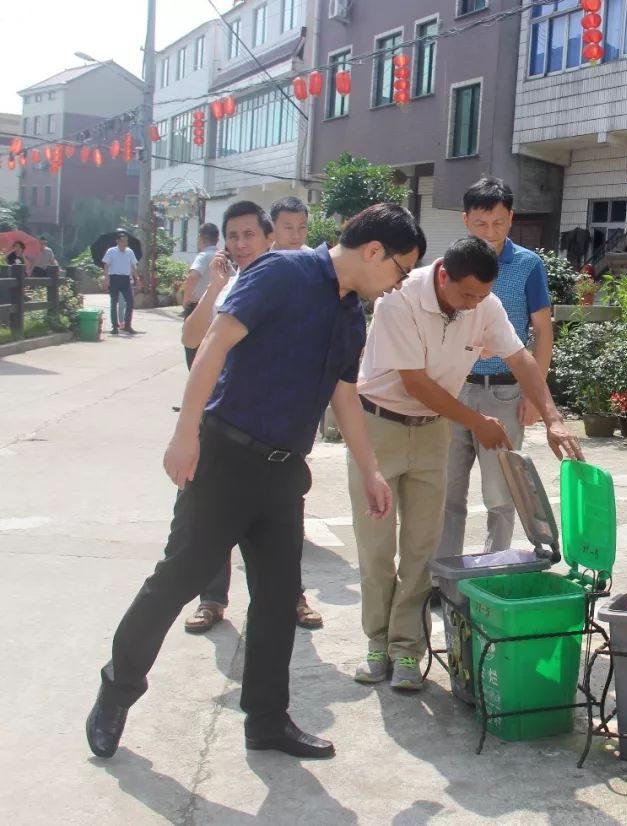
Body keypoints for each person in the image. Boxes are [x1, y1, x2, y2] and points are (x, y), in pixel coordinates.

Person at [86, 203, 424, 762]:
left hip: (282, 472)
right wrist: (185, 433)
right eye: (398, 269)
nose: (395, 284)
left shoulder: (348, 316)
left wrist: (369, 470)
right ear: (373, 252)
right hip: (223, 458)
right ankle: (117, 690)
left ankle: (266, 722)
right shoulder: (281, 272)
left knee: (275, 600)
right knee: (177, 581)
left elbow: (344, 396)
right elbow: (215, 343)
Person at [350, 235, 582, 691]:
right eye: (466, 294)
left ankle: (407, 652)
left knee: (422, 547)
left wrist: (553, 420)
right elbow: (415, 383)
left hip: (432, 430)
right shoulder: (399, 298)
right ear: (442, 276)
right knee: (377, 548)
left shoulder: (485, 304)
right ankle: (377, 643)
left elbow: (521, 360)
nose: (474, 304)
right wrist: (478, 421)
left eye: (482, 295)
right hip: (379, 427)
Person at [435, 177, 553, 565]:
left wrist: (536, 396)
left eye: (499, 223)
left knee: (500, 495)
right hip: (455, 390)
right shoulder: (448, 265)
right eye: (482, 224)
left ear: (511, 219)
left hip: (504, 392)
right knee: (448, 493)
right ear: (467, 221)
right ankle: (443, 576)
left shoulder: (527, 264)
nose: (491, 232)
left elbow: (542, 329)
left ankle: (489, 573)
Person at [178, 204, 273, 634]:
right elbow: (191, 338)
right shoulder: (228, 284)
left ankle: (281, 600)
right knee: (208, 518)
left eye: (248, 235)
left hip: (268, 427)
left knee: (272, 525)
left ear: (268, 238)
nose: (240, 244)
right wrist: (215, 287)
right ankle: (212, 599)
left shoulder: (284, 284)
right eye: (233, 237)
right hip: (219, 421)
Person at [181, 223, 221, 369]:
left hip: (198, 307)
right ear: (217, 239)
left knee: (193, 349)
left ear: (200, 238)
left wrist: (186, 299)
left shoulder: (203, 256)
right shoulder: (222, 257)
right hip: (217, 309)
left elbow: (193, 276)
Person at [102, 231, 141, 335]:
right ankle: (115, 326)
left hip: (125, 279)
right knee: (114, 303)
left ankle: (127, 325)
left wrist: (137, 279)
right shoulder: (111, 251)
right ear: (118, 242)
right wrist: (106, 279)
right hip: (114, 278)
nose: (125, 243)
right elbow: (106, 265)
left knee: (130, 301)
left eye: (126, 241)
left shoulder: (129, 252)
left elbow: (133, 266)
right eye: (123, 241)